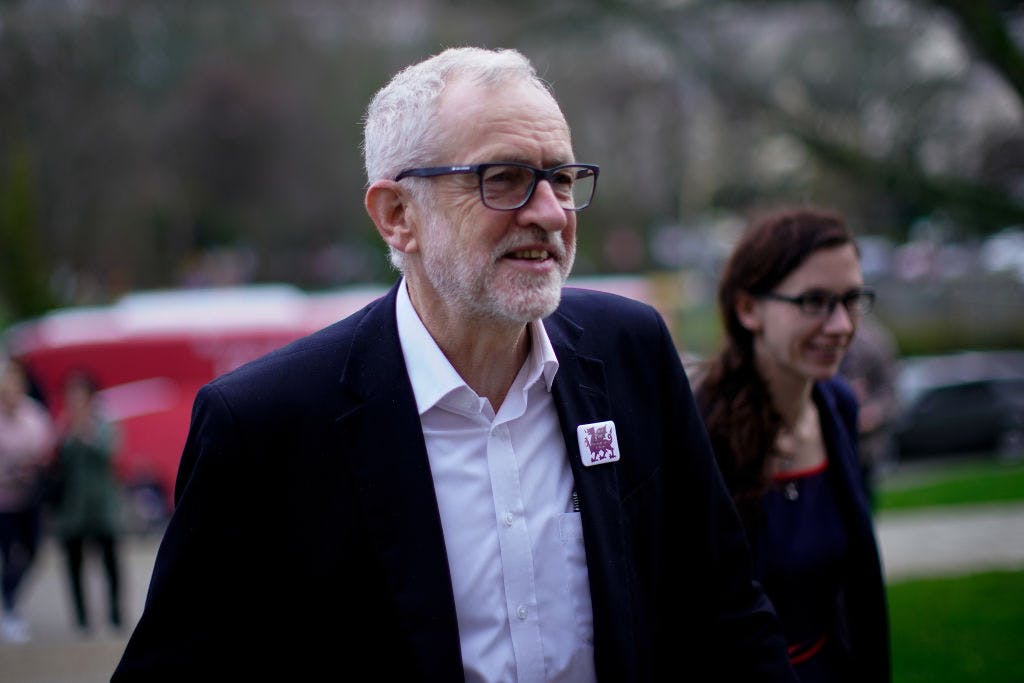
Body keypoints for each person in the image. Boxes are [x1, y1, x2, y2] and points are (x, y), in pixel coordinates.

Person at [114, 47, 796, 681]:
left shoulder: (630, 351)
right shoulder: (266, 425)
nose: (550, 213)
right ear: (396, 215)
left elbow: (725, 611)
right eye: (505, 180)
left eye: (561, 178)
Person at [694, 208, 891, 681]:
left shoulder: (836, 406)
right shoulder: (699, 428)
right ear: (748, 309)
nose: (841, 326)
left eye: (851, 300)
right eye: (814, 301)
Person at [54, 370, 122, 633]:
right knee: (74, 564)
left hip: (102, 506)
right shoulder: (64, 425)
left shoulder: (104, 423)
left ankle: (115, 614)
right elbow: (58, 461)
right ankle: (82, 618)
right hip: (72, 509)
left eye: (80, 394)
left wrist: (85, 431)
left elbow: (109, 453)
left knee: (110, 562)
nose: (75, 399)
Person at [0, 357, 55, 643]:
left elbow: (46, 450)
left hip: (29, 497)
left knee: (32, 551)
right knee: (8, 553)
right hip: (3, 500)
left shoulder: (34, 416)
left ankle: (9, 597)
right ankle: (10, 608)